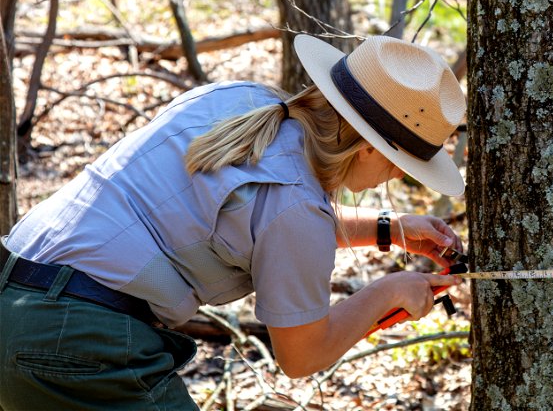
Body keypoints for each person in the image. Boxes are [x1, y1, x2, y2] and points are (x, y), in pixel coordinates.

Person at [0, 34, 467, 410]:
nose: (398, 176)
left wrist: (388, 227)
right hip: (77, 341)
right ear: (369, 147)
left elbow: (263, 217)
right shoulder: (296, 207)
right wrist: (388, 292)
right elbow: (302, 354)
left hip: (16, 299)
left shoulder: (244, 102)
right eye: (398, 163)